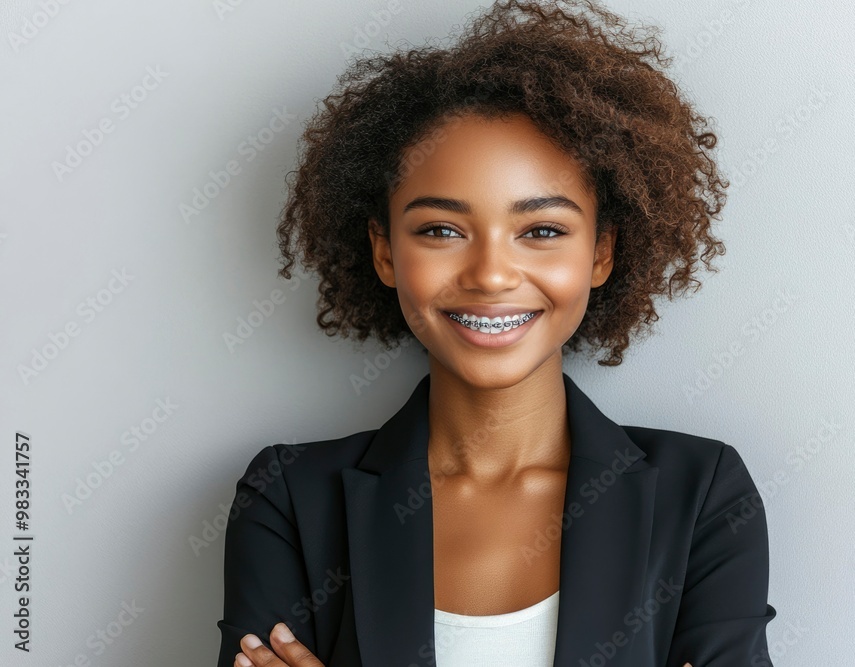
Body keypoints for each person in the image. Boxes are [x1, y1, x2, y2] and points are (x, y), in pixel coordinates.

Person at [217, 1, 776, 665]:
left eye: (541, 231)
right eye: (441, 230)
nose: (490, 274)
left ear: (600, 253)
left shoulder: (702, 495)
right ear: (385, 250)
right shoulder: (289, 497)